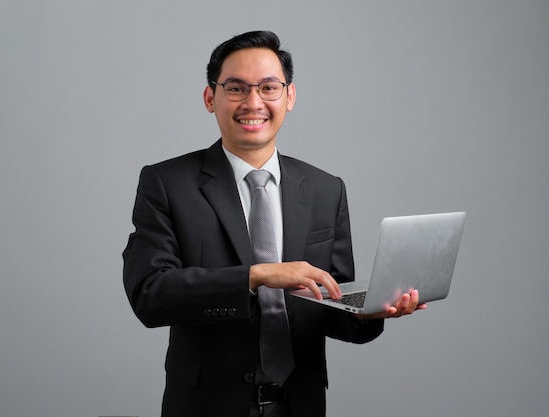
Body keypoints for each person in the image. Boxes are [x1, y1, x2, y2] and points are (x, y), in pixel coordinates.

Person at [123, 30, 425, 417]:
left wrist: (372, 312)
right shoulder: (167, 183)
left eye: (268, 87)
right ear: (209, 98)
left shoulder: (324, 189)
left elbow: (331, 306)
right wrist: (257, 276)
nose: (253, 103)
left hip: (300, 404)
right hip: (207, 406)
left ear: (290, 97)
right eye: (235, 88)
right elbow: (150, 294)